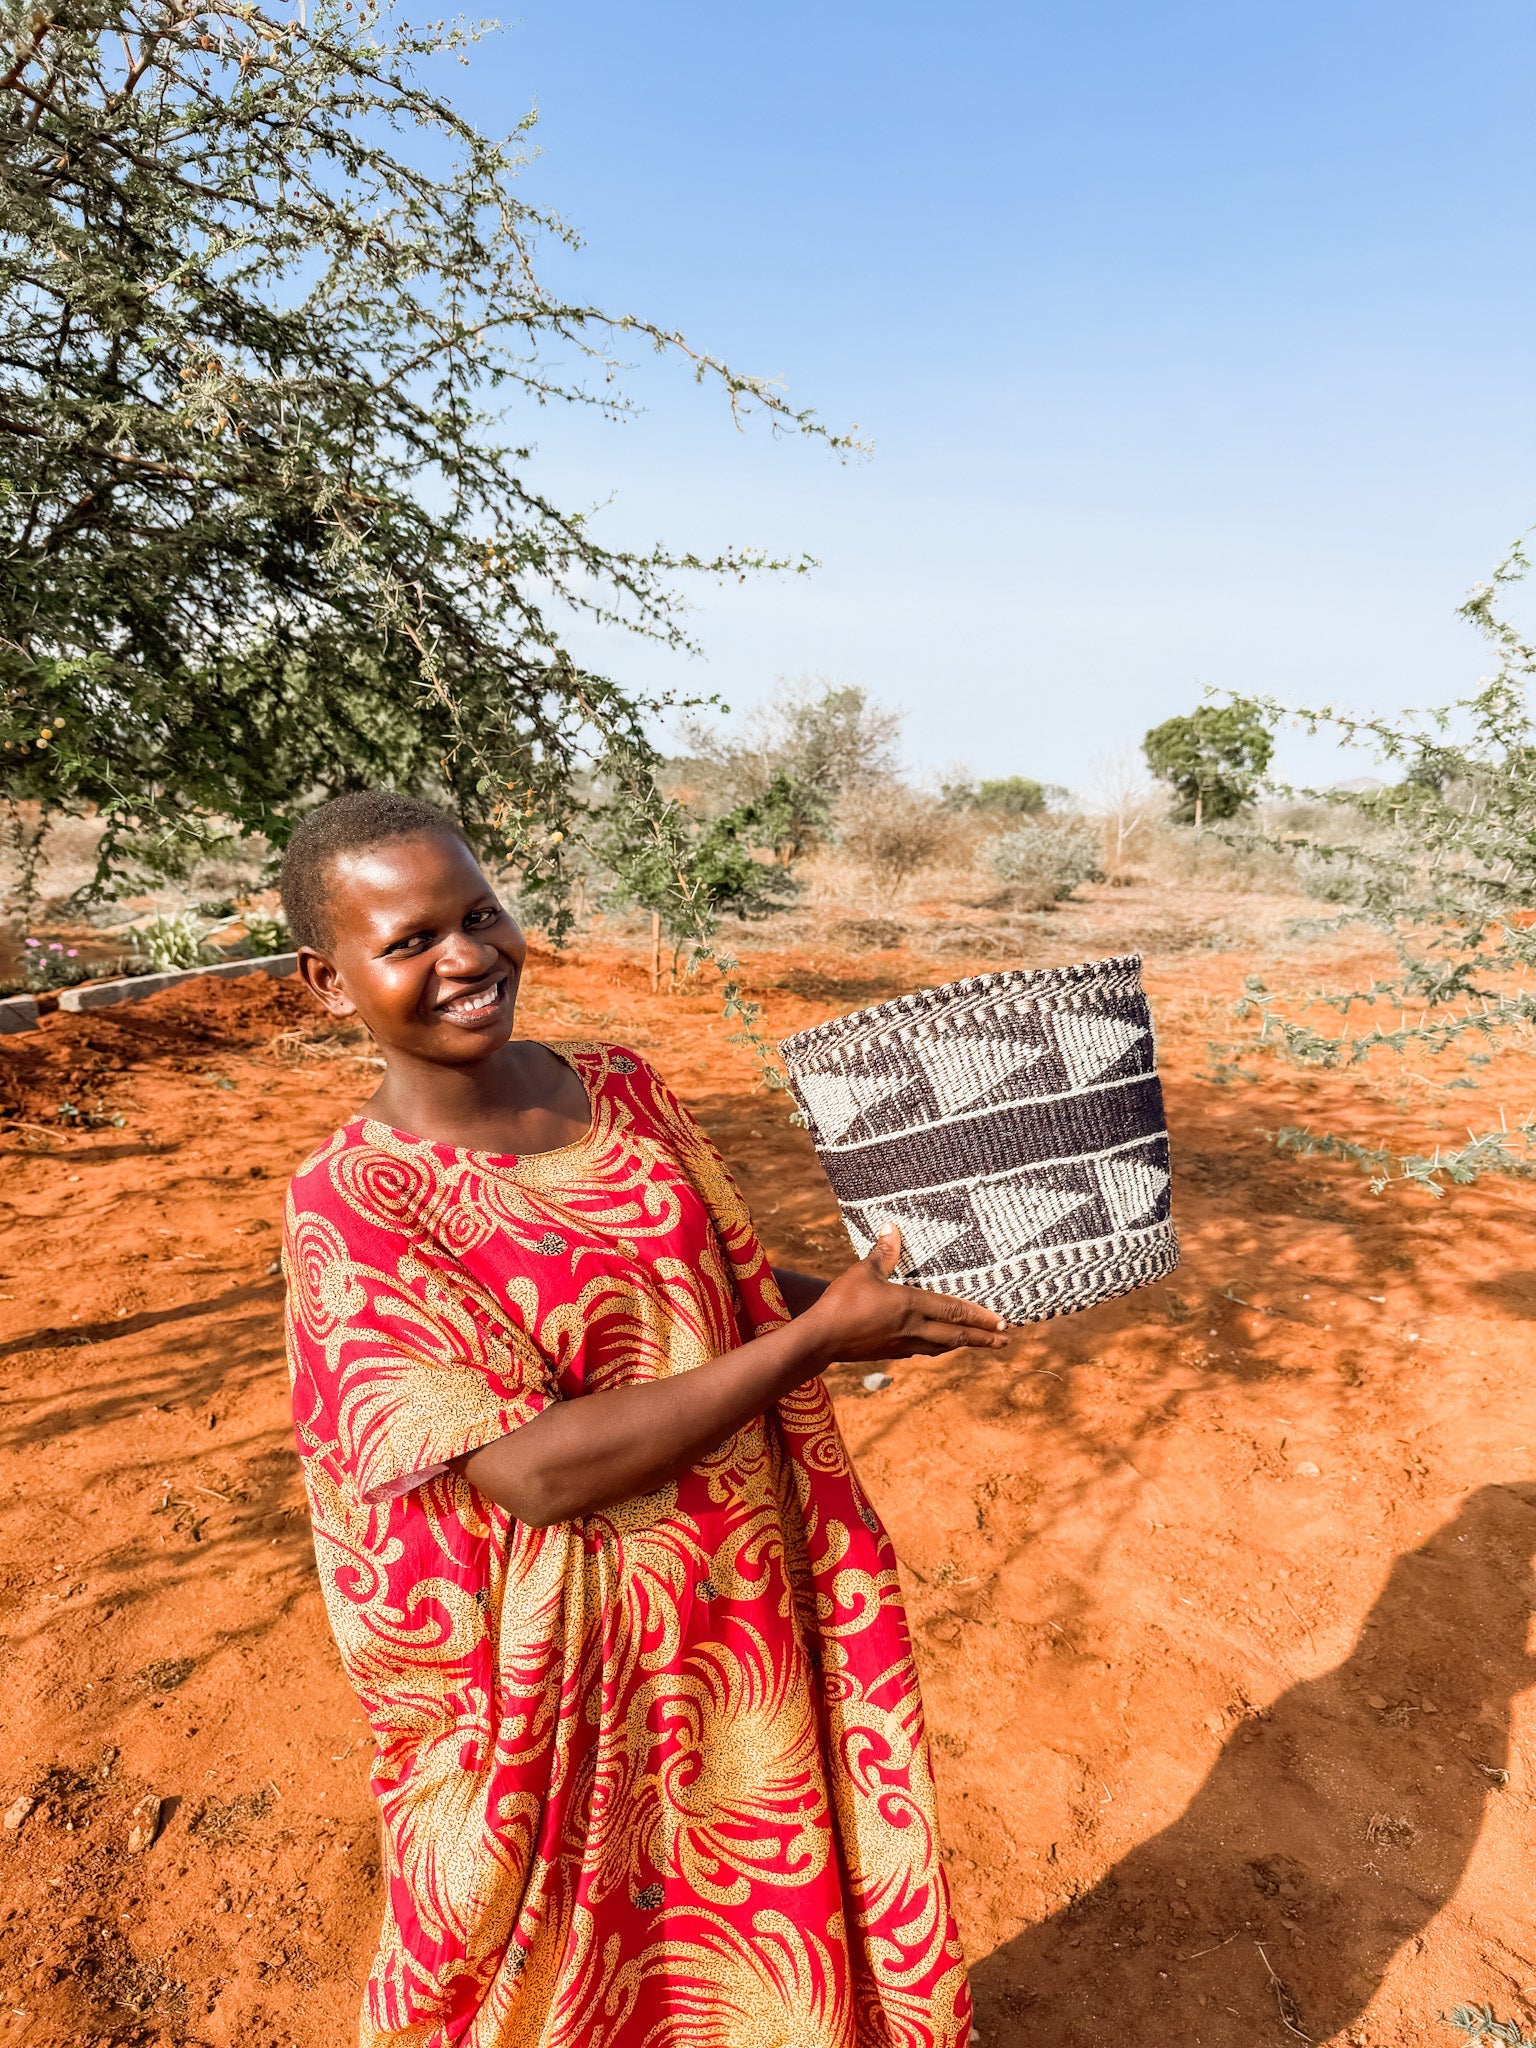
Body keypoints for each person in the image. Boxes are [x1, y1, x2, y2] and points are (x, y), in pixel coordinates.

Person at [279, 789, 1006, 2048]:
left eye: (482, 913)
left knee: (758, 1917)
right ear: (325, 979)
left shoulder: (618, 1083)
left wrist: (855, 1308)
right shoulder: (357, 1203)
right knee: (569, 1960)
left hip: (737, 1598)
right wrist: (817, 1340)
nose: (466, 957)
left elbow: (710, 1281)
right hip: (562, 1665)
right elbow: (532, 1475)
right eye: (407, 941)